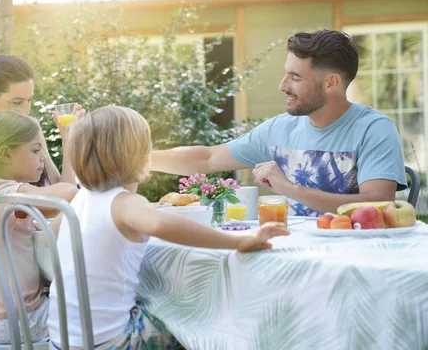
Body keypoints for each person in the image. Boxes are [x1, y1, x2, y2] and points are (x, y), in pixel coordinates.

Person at [46, 106, 289, 349]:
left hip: (63, 341)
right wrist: (237, 242)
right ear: (138, 157)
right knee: (196, 322)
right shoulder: (124, 203)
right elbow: (160, 223)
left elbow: (53, 234)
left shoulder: (80, 201)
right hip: (113, 342)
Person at [150, 29, 407, 217]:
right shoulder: (280, 129)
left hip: (352, 259)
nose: (283, 86)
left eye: (295, 77)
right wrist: (139, 159)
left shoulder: (374, 129)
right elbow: (206, 158)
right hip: (290, 257)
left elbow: (378, 204)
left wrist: (290, 188)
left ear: (331, 83)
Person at [0, 110, 78, 344]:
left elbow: (51, 208)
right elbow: (66, 195)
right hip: (20, 322)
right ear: (6, 154)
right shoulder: (5, 192)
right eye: (36, 151)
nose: (43, 159)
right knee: (93, 309)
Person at [0, 55, 82, 185]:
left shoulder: (31, 126)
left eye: (29, 100)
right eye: (17, 102)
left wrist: (68, 141)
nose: (26, 111)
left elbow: (62, 188)